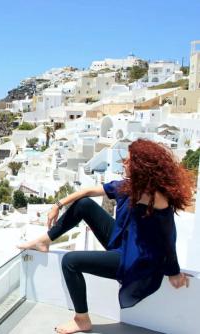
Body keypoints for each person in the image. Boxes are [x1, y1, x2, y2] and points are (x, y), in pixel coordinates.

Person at [17, 139, 193, 334]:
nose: (124, 163)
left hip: (135, 260)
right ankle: (44, 240)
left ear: (141, 166)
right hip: (121, 242)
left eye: (129, 160)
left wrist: (173, 272)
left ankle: (81, 319)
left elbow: (169, 238)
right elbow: (88, 191)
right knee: (84, 204)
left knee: (70, 261)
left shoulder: (157, 198)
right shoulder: (129, 186)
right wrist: (57, 205)